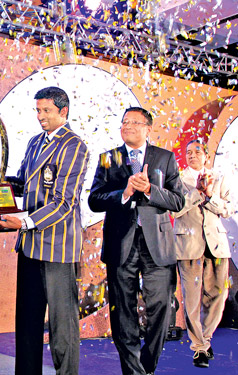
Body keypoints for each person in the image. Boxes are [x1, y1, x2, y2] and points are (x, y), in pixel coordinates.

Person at [0, 86, 89, 375]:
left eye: (46, 111)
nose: (40, 116)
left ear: (63, 111)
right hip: (30, 245)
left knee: (62, 327)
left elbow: (65, 201)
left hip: (58, 248)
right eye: (38, 110)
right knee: (27, 324)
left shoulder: (74, 145)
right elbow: (24, 184)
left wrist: (25, 222)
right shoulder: (34, 142)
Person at [88, 107, 185, 375]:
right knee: (123, 313)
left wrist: (150, 190)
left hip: (158, 246)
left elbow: (178, 201)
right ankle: (133, 372)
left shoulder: (165, 158)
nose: (127, 126)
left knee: (162, 309)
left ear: (147, 128)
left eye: (134, 122)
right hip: (121, 245)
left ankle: (147, 366)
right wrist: (126, 192)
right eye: (124, 122)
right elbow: (94, 200)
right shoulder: (109, 158)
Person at [173, 139, 232, 368]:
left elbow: (228, 209)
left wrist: (209, 196)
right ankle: (199, 348)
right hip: (188, 246)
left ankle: (205, 340)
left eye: (197, 151)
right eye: (188, 152)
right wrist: (197, 193)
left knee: (218, 296)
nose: (192, 155)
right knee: (192, 300)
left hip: (216, 245)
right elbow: (175, 209)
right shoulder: (178, 180)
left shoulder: (219, 177)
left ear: (206, 156)